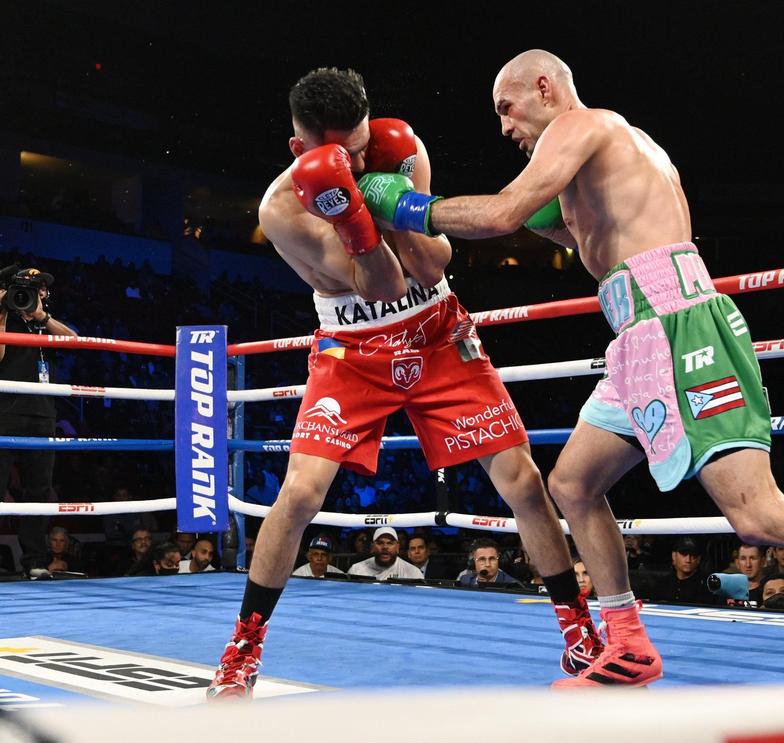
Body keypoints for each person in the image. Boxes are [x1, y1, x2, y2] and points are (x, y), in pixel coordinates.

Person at [369, 49, 784, 685]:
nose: (505, 127)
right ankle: (626, 640)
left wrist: (405, 207)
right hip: (640, 335)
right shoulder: (614, 149)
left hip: (677, 325)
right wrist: (551, 221)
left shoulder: (582, 125)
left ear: (544, 87)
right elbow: (590, 240)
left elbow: (503, 213)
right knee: (573, 485)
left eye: (507, 109)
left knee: (756, 513)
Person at [206, 67, 599, 699]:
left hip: (438, 332)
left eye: (364, 147)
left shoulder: (398, 147)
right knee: (301, 494)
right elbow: (380, 284)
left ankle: (579, 633)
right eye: (344, 155)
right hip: (354, 348)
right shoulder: (283, 211)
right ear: (299, 150)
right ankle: (242, 651)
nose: (361, 161)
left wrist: (391, 197)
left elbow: (432, 260)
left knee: (522, 480)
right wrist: (357, 217)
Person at [0, 264, 78, 565]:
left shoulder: (45, 323)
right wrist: (3, 313)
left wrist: (41, 316)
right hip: (5, 414)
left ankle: (34, 560)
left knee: (39, 491)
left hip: (43, 415)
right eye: (29, 289)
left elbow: (74, 341)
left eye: (40, 289)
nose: (35, 293)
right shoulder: (5, 319)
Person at [348, 527, 423, 580]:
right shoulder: (356, 570)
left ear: (397, 547)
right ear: (373, 547)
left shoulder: (413, 572)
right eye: (380, 543)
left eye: (390, 543)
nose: (385, 547)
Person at [456, 537, 520, 587]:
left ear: (498, 559)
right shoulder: (464, 580)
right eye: (482, 559)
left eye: (492, 559)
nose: (487, 564)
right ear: (474, 560)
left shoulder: (512, 585)